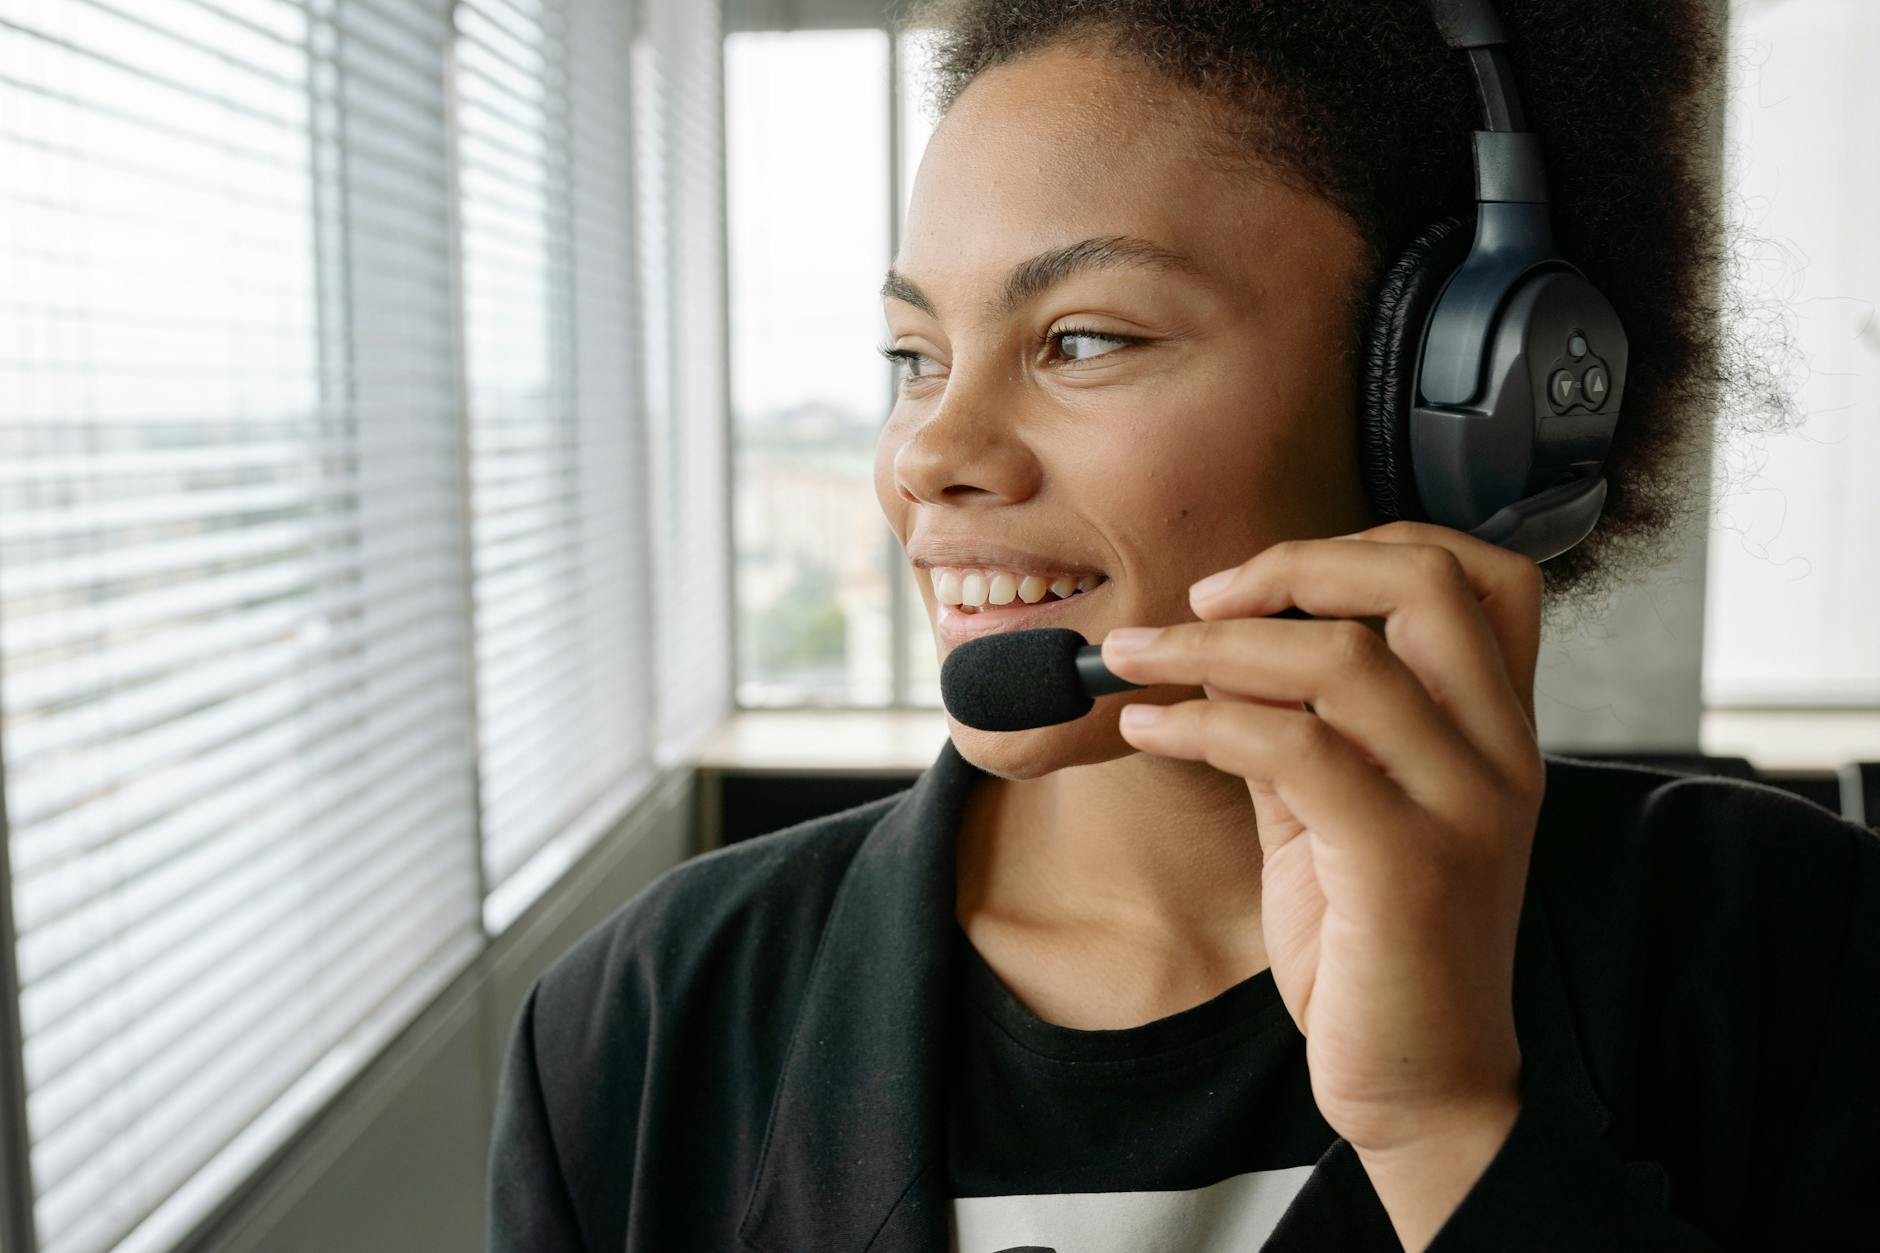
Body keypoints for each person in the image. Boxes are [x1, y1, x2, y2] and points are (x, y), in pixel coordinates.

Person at [486, 2, 1878, 1250]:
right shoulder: (640, 1027)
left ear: (1454, 412)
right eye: (914, 355)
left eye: (1083, 337)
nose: (928, 453)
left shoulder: (1795, 954)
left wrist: (1451, 1124)